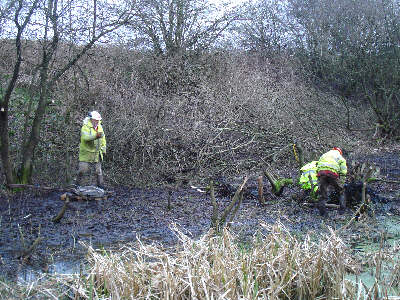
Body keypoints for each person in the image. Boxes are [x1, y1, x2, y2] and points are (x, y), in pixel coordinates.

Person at [75, 111, 107, 189]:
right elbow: (86, 138)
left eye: (98, 120)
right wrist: (96, 136)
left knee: (98, 171)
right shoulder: (85, 127)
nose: (97, 121)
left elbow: (103, 140)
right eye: (95, 120)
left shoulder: (100, 127)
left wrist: (103, 149)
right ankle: (77, 185)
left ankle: (101, 186)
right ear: (91, 119)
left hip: (97, 153)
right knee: (82, 170)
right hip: (86, 153)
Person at [316, 147, 347, 216]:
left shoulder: (324, 155)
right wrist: (341, 183)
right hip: (332, 173)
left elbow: (318, 166)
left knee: (322, 194)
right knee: (341, 191)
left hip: (321, 173)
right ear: (340, 152)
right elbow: (343, 171)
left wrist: (319, 180)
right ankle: (342, 210)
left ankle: (322, 213)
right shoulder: (340, 157)